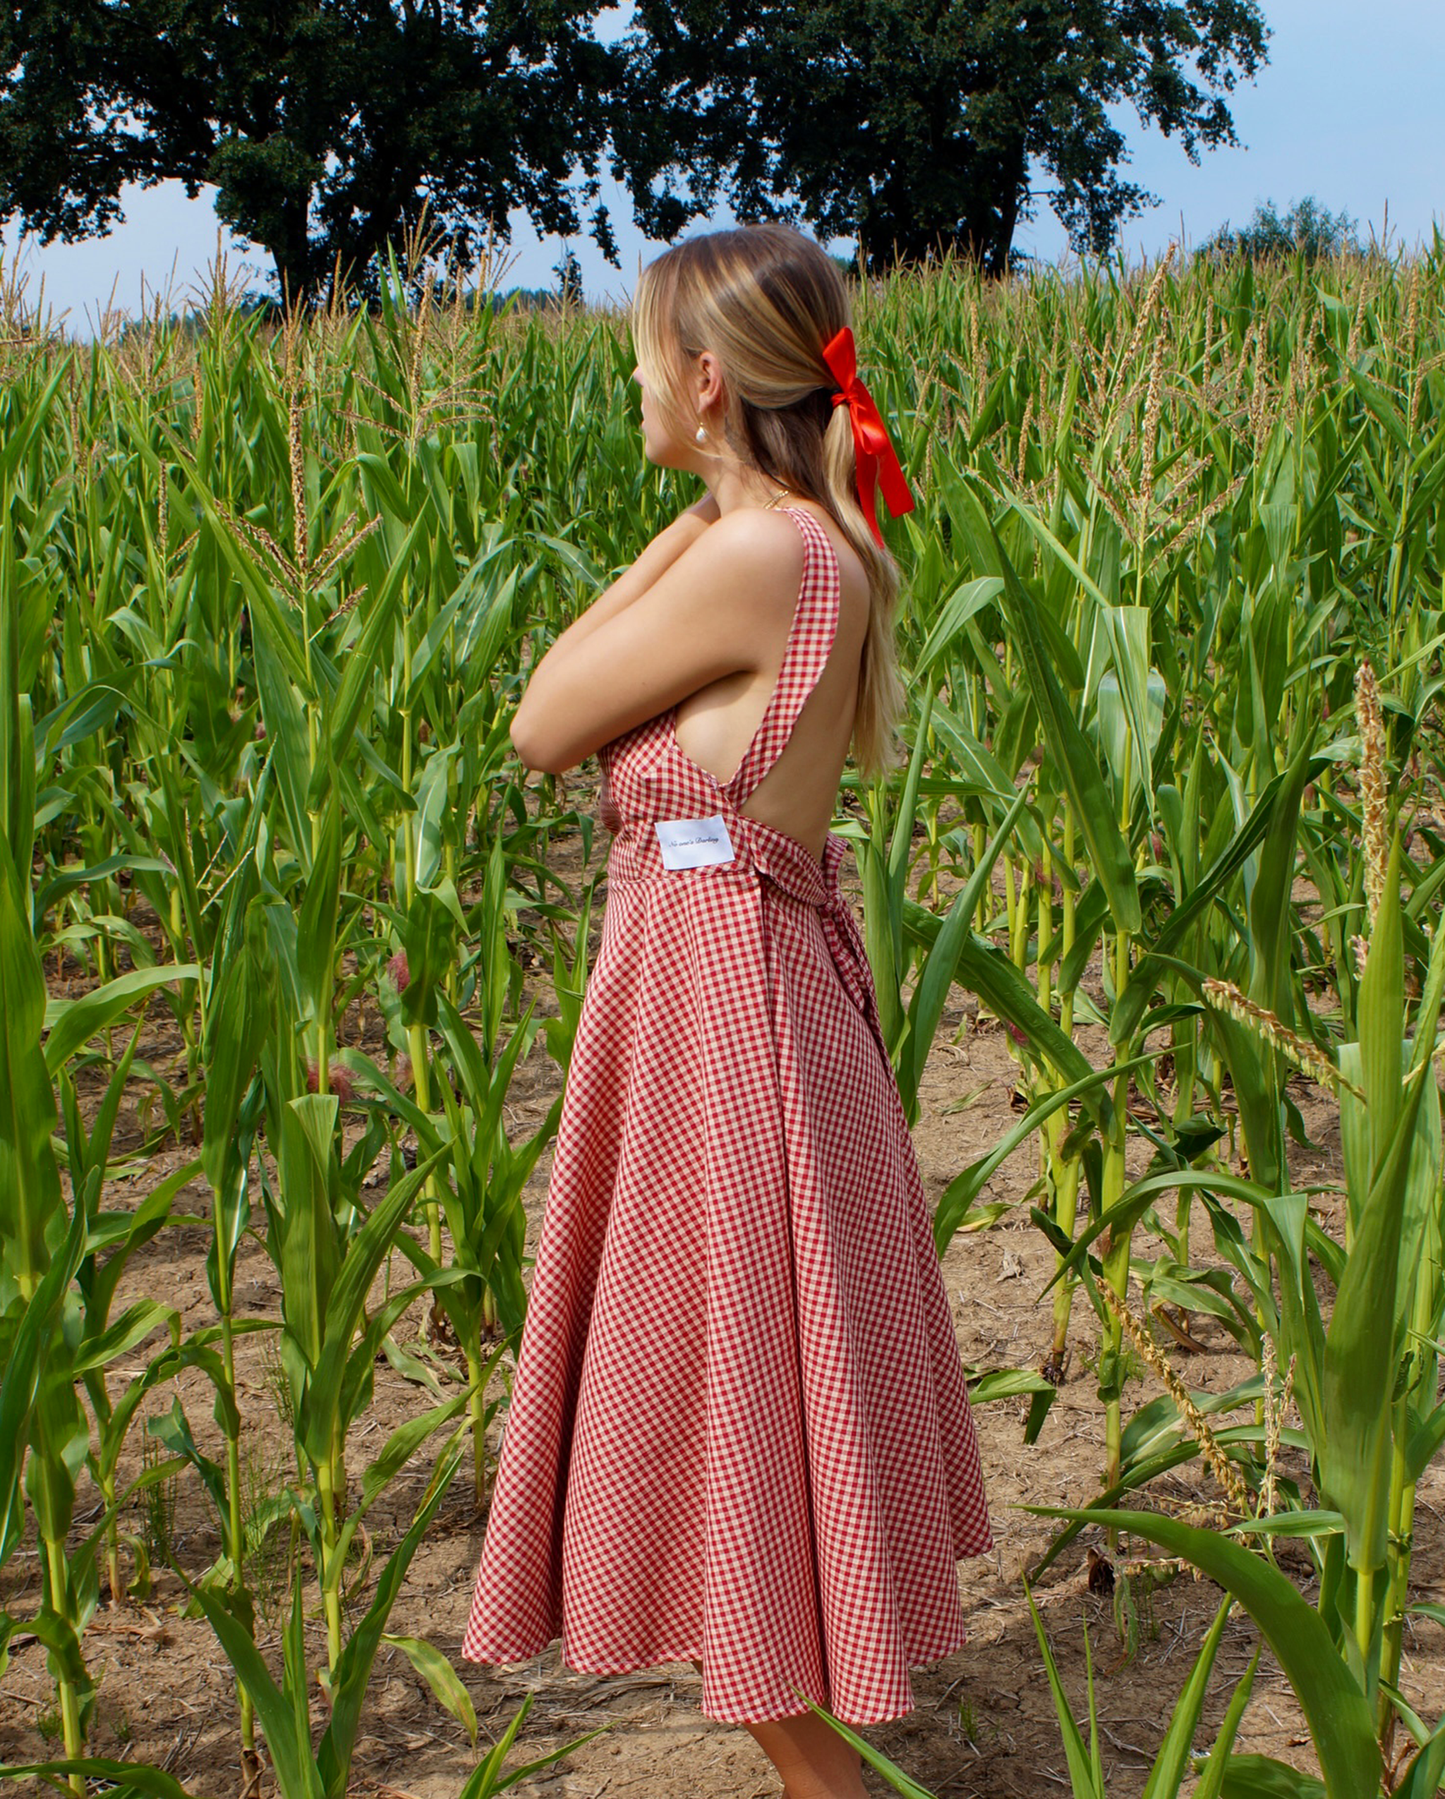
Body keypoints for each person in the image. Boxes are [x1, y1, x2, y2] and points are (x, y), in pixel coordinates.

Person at [462, 223, 992, 1799]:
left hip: (721, 1020)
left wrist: (695, 525)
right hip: (722, 1002)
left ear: (703, 380)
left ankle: (829, 1782)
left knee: (718, 1395)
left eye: (643, 357)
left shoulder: (764, 557)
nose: (627, 380)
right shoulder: (778, 542)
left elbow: (543, 716)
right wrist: (704, 504)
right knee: (727, 1392)